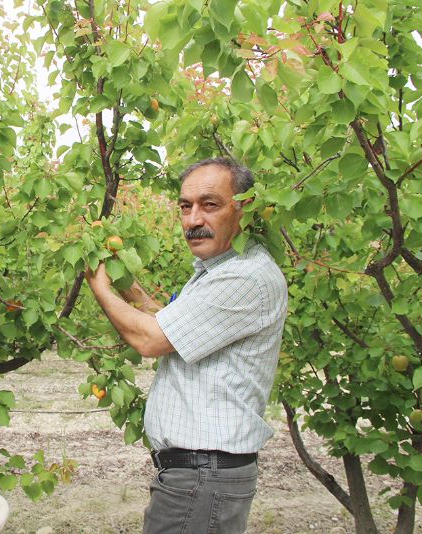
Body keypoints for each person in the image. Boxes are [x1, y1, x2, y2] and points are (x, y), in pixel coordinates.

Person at [85, 157, 288, 534]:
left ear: (243, 207)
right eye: (185, 206)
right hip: (198, 476)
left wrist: (98, 285)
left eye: (210, 205)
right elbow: (173, 326)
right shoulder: (221, 270)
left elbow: (150, 339)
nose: (194, 220)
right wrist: (126, 284)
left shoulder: (245, 277)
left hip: (203, 479)